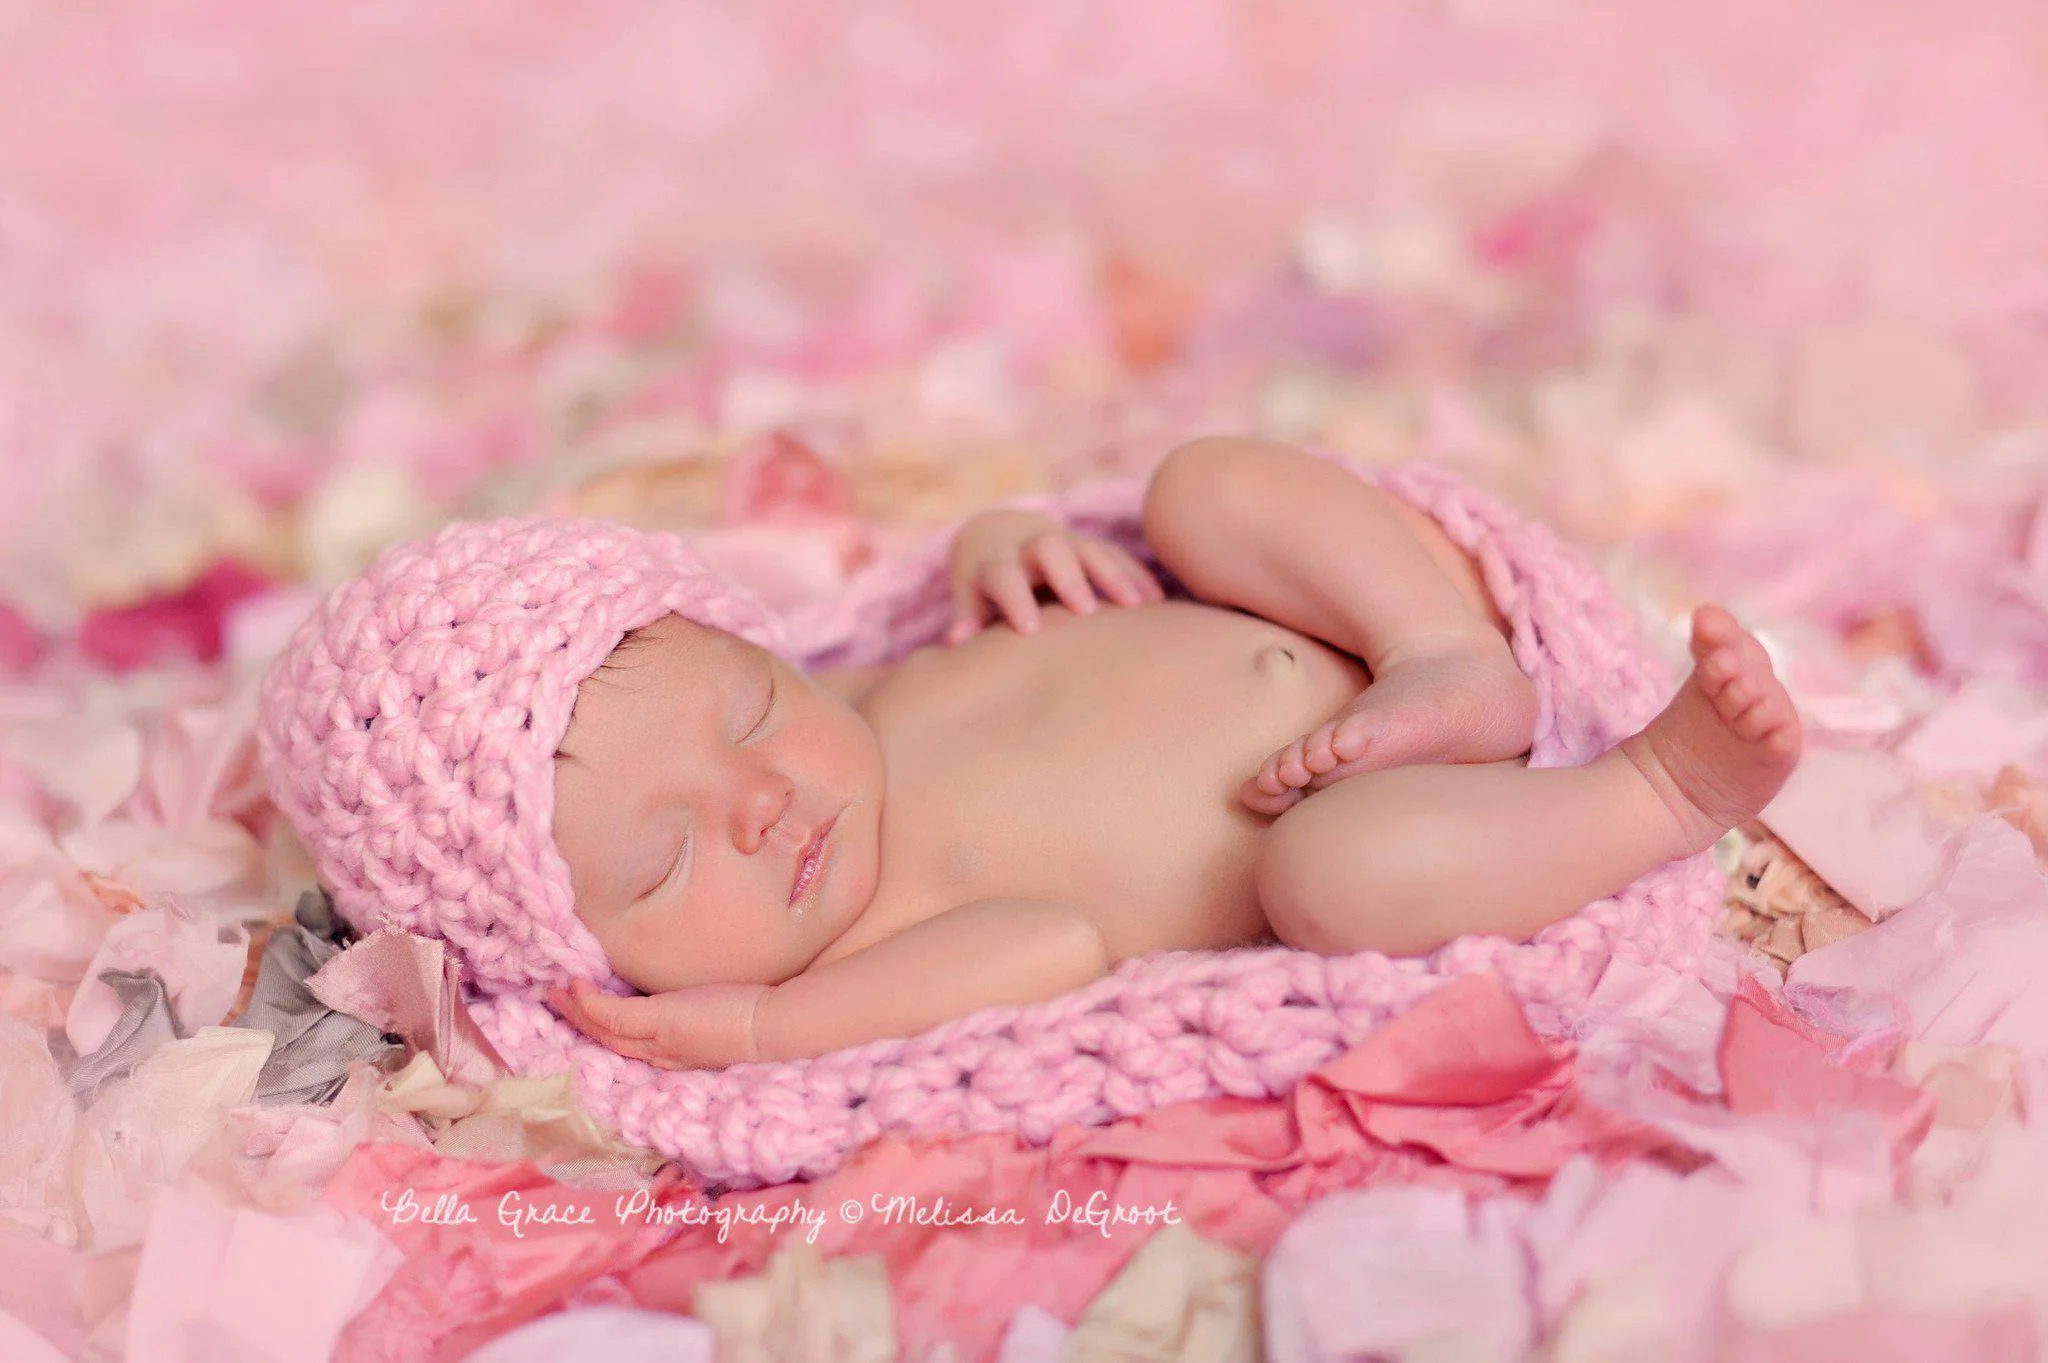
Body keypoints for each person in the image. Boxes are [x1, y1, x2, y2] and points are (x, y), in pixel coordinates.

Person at [257, 436, 1801, 1074]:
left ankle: (1447, 651)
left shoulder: (878, 687)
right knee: (1335, 872)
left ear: (755, 645)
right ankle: (1656, 788)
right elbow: (1053, 946)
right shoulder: (866, 938)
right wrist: (765, 1026)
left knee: (1200, 485)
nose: (764, 796)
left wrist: (1007, 549)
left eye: (745, 713)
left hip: (1355, 651)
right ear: (582, 952)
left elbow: (987, 592)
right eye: (667, 862)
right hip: (1386, 812)